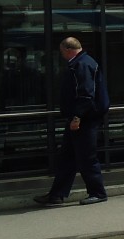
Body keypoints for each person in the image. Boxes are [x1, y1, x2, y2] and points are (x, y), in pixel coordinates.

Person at [34, 36, 108, 206]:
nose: (61, 55)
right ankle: (56, 194)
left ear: (68, 50)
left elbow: (85, 94)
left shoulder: (81, 65)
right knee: (67, 158)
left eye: (61, 52)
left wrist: (77, 117)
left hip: (83, 120)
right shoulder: (84, 63)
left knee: (86, 157)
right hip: (80, 119)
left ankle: (98, 192)